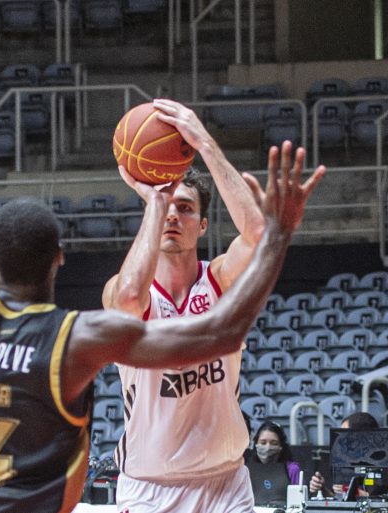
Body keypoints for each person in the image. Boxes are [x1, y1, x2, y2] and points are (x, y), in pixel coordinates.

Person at [0, 144, 323, 513]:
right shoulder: (74, 339)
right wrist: (280, 235)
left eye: (185, 208)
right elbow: (220, 333)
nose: (174, 215)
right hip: (127, 488)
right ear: (60, 260)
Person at [101, 98, 325, 513]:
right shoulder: (125, 289)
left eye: (185, 208)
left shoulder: (219, 279)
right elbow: (129, 299)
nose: (173, 215)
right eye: (166, 207)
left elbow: (260, 234)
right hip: (151, 486)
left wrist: (204, 142)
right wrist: (155, 202)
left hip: (226, 481)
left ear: (203, 225)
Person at [308, 412, 380, 497]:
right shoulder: (343, 464)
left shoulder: (383, 467)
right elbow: (338, 499)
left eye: (345, 434)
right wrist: (322, 488)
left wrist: (350, 491)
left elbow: (382, 499)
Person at [248, 421, 301, 485]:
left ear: (281, 446)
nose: (268, 448)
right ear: (256, 444)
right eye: (263, 443)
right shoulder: (248, 470)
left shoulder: (292, 470)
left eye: (274, 443)